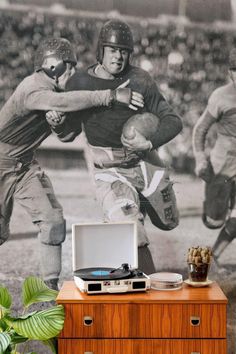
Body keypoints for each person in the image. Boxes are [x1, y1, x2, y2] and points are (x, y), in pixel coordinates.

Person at [0, 37, 143, 290]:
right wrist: (109, 96)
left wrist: (58, 124)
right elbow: (62, 103)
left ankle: (49, 290)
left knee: (53, 220)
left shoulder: (57, 93)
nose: (74, 72)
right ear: (53, 66)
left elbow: (67, 136)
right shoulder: (32, 86)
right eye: (69, 66)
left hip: (24, 164)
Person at [46, 20, 183, 274]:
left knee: (169, 221)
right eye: (112, 50)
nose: (118, 57)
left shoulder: (140, 79)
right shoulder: (80, 83)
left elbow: (173, 120)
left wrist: (149, 142)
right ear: (101, 51)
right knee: (131, 227)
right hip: (109, 170)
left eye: (123, 51)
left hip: (144, 161)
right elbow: (69, 134)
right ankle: (149, 288)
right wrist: (57, 124)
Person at [193, 47, 236, 263]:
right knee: (213, 220)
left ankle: (213, 256)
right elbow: (200, 129)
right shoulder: (221, 96)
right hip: (222, 166)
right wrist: (200, 158)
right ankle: (211, 206)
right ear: (230, 72)